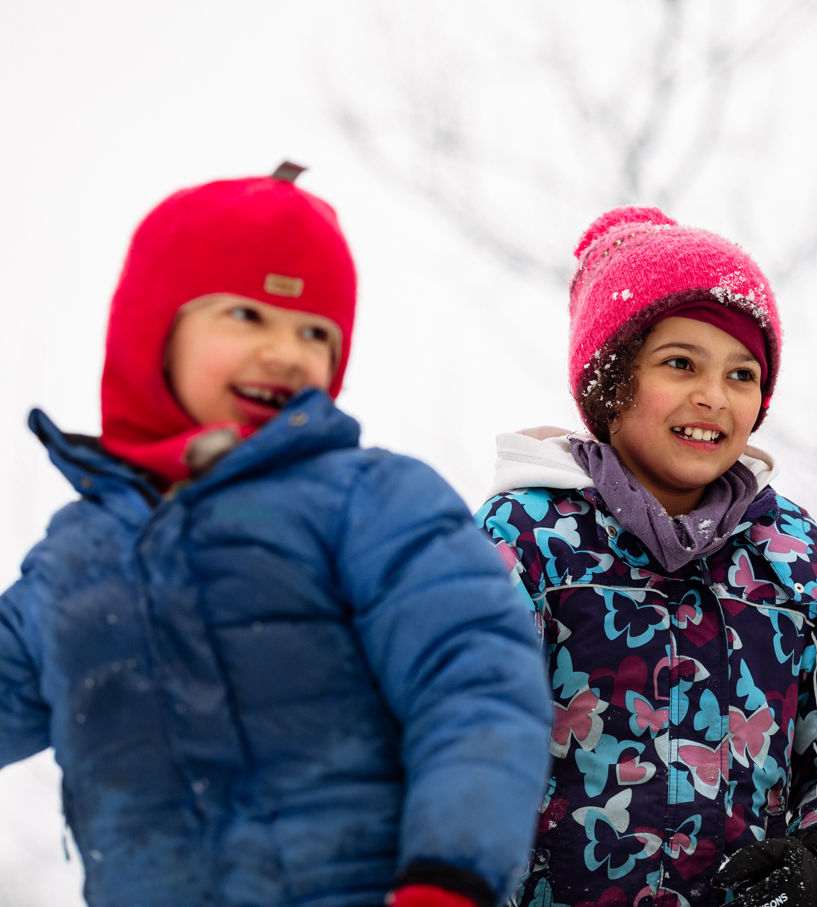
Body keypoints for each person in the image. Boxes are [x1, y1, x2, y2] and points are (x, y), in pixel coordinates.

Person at [0, 164, 552, 907]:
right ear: (152, 330)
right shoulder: (74, 558)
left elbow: (475, 682)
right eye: (247, 316)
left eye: (315, 332)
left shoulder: (370, 501)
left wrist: (449, 875)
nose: (288, 352)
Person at [476, 207, 817, 907]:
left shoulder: (792, 558)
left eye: (742, 375)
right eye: (681, 363)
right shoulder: (529, 541)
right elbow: (456, 738)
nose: (713, 396)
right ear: (614, 379)